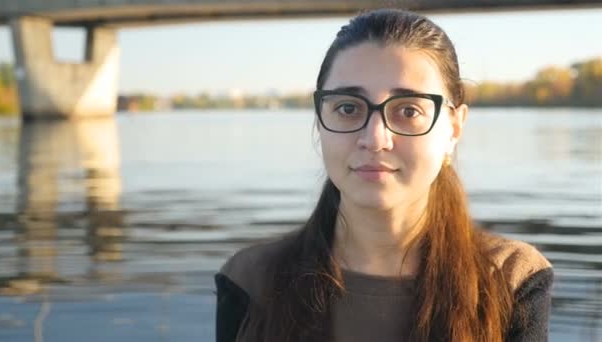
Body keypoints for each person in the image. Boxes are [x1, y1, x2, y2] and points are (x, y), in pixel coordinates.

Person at [214, 8, 553, 342]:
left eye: (408, 110)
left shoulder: (510, 280)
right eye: (348, 108)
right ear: (319, 121)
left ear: (454, 127)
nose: (375, 139)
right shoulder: (251, 280)